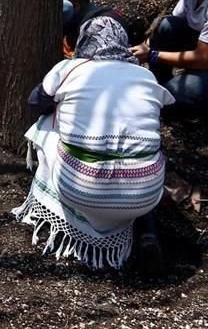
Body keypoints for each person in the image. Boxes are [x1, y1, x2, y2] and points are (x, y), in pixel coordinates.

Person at [15, 15, 173, 272]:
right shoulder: (145, 76)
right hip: (145, 193)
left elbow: (35, 103)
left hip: (82, 189)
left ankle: (69, 217)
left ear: (84, 41)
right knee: (140, 151)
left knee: (48, 123)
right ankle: (148, 234)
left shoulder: (69, 69)